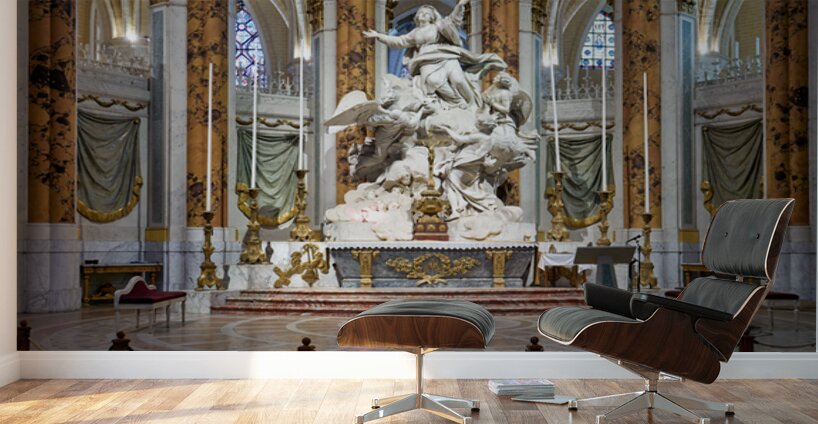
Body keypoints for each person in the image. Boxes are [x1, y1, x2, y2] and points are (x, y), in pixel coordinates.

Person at [363, 0, 505, 109]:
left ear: (432, 17)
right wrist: (378, 36)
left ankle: (473, 106)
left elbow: (453, 19)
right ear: (417, 17)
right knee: (433, 82)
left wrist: (460, 5)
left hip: (446, 56)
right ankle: (456, 101)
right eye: (421, 12)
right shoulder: (415, 33)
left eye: (426, 13)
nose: (423, 14)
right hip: (425, 60)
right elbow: (399, 41)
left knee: (459, 80)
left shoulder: (438, 26)